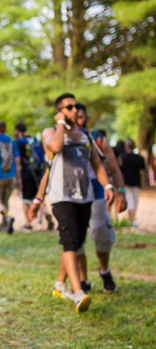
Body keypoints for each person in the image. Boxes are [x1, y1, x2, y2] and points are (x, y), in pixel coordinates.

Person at [29, 93, 126, 312]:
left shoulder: (85, 135)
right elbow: (53, 150)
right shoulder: (50, 133)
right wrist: (61, 125)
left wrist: (109, 186)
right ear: (59, 111)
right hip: (61, 196)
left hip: (85, 195)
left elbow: (98, 165)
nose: (75, 110)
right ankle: (78, 291)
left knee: (76, 240)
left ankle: (59, 284)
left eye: (75, 107)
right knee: (70, 242)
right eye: (69, 107)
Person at [74, 103, 126, 293]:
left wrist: (121, 192)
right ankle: (83, 278)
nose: (77, 120)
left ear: (86, 117)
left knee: (101, 234)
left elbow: (114, 169)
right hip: (71, 195)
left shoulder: (97, 139)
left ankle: (104, 270)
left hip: (96, 193)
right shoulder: (60, 138)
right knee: (75, 241)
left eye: (80, 116)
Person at [14, 123, 40, 231]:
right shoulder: (34, 140)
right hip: (38, 172)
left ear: (17, 131)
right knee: (38, 198)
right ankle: (47, 216)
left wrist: (17, 177)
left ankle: (28, 223)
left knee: (25, 200)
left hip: (25, 172)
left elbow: (17, 160)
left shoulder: (18, 142)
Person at [120, 139, 147, 227]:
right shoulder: (140, 158)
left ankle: (131, 219)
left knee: (130, 202)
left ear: (126, 147)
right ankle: (132, 219)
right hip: (136, 183)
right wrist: (143, 183)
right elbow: (142, 172)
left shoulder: (122, 157)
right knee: (135, 202)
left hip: (126, 183)